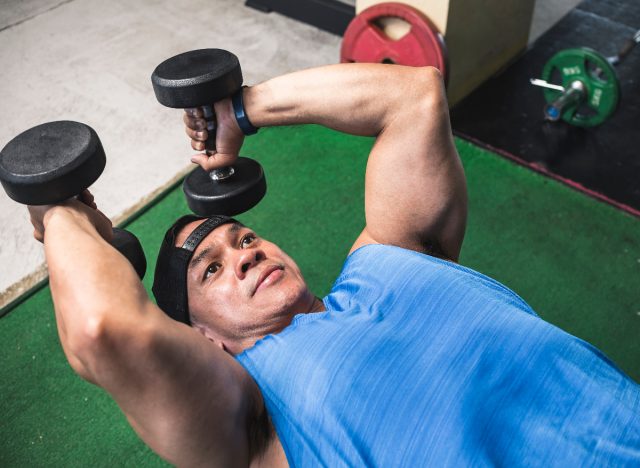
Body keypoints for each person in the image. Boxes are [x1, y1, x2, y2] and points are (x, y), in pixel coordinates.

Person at [28, 64, 639, 467]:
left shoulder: (391, 260)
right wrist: (60, 213)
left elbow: (414, 98)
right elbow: (101, 330)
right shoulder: (253, 420)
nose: (243, 255)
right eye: (209, 271)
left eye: (242, 239)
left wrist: (241, 111)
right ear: (204, 338)